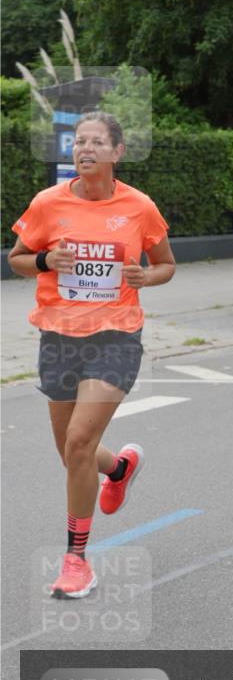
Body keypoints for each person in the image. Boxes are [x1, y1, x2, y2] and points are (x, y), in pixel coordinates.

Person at [9, 111, 175, 598]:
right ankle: (119, 469)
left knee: (80, 442)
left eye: (96, 142)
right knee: (70, 451)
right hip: (59, 339)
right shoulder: (48, 202)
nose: (85, 148)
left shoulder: (139, 207)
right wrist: (45, 259)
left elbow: (165, 264)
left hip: (116, 338)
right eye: (79, 141)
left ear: (117, 152)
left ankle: (76, 561)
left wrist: (146, 276)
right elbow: (17, 258)